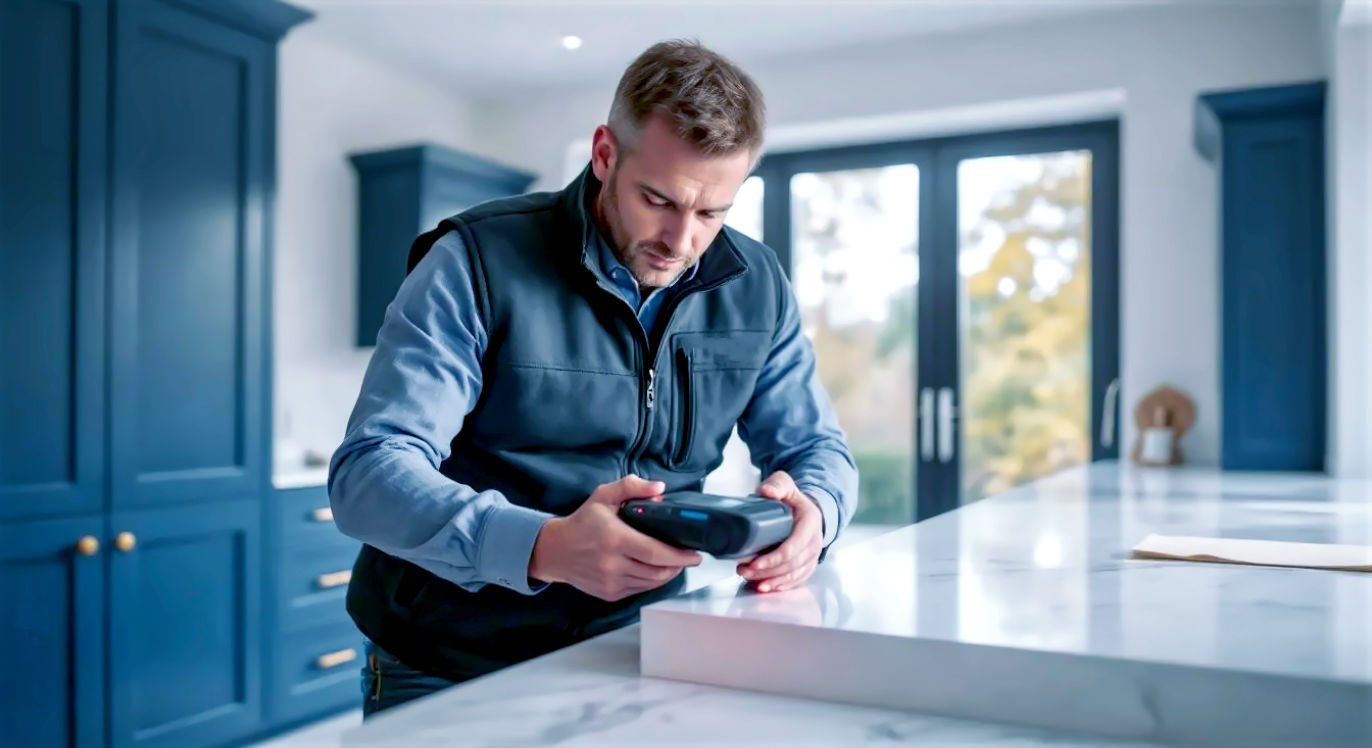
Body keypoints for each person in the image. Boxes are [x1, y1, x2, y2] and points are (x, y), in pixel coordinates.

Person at [329, 39, 858, 718]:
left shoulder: (758, 286)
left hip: (641, 651)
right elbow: (368, 475)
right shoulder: (474, 261)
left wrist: (816, 513)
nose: (681, 241)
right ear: (605, 154)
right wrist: (542, 547)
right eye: (658, 199)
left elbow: (816, 449)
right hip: (447, 663)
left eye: (711, 213)